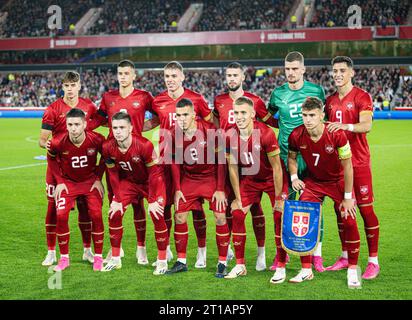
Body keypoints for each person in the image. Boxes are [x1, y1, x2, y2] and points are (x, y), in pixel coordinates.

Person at [274, 96, 361, 289]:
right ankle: (306, 269)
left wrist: (348, 198)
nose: (308, 119)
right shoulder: (296, 135)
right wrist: (295, 177)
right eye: (305, 115)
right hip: (313, 182)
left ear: (322, 115)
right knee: (301, 217)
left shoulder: (336, 134)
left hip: (337, 181)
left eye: (312, 115)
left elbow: (348, 167)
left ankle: (353, 269)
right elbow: (292, 157)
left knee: (349, 218)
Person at [147, 61, 214, 269]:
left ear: (182, 77)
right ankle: (166, 248)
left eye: (174, 76)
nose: (170, 80)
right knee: (165, 205)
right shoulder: (158, 101)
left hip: (192, 162)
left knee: (195, 208)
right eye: (167, 76)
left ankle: (202, 252)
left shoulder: (196, 99)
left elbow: (211, 123)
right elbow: (154, 122)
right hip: (167, 160)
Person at [213, 62, 278, 271]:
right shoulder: (219, 101)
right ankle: (231, 251)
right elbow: (214, 124)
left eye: (235, 75)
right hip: (231, 162)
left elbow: (272, 123)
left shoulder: (256, 102)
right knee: (232, 208)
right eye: (228, 75)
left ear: (242, 77)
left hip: (256, 164)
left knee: (260, 209)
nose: (231, 78)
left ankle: (266, 255)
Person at [267, 51, 326, 272]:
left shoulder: (316, 91)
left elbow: (323, 119)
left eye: (294, 69)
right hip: (285, 158)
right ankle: (281, 254)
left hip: (312, 160)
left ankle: (316, 254)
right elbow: (269, 117)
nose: (290, 73)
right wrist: (284, 131)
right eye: (287, 69)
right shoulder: (277, 94)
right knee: (282, 207)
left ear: (303, 69)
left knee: (314, 208)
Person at [93, 59, 155, 265]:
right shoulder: (108, 97)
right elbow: (99, 119)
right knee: (115, 202)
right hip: (114, 155)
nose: (123, 76)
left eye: (127, 73)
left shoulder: (144, 97)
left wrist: (140, 128)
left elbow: (158, 116)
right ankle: (115, 250)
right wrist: (82, 128)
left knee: (139, 204)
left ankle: (141, 249)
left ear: (134, 75)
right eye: (120, 73)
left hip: (137, 153)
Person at [325, 56, 380, 280]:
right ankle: (345, 255)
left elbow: (367, 125)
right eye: (334, 71)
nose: (337, 74)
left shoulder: (361, 96)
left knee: (366, 211)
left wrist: (345, 125)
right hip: (338, 166)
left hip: (358, 163)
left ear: (351, 73)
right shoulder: (329, 101)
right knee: (341, 211)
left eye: (341, 70)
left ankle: (373, 261)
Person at [39, 71, 99, 267]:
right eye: (67, 86)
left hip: (81, 166)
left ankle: (87, 251)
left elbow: (97, 126)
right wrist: (48, 145)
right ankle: (51, 252)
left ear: (79, 86)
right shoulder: (53, 109)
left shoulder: (88, 106)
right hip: (58, 166)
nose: (70, 89)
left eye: (73, 86)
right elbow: (42, 139)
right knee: (53, 209)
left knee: (85, 208)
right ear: (62, 87)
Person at [165, 98, 230, 278]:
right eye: (178, 115)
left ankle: (222, 262)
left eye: (185, 115)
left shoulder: (210, 130)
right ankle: (181, 261)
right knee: (179, 215)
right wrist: (177, 188)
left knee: (220, 216)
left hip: (210, 178)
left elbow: (220, 162)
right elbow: (175, 164)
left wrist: (219, 188)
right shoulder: (173, 133)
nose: (182, 119)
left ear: (194, 115)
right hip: (190, 179)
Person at [224, 96, 284, 279]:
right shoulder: (229, 135)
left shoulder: (265, 133)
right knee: (237, 211)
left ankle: (281, 264)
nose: (239, 116)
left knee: (278, 214)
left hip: (271, 179)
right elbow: (232, 168)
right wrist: (238, 197)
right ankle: (240, 264)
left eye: (243, 112)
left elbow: (277, 168)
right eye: (236, 113)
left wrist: (280, 197)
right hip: (250, 180)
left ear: (252, 114)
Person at [101, 112, 169, 275]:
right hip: (130, 183)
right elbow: (113, 174)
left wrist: (152, 200)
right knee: (114, 213)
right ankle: (116, 259)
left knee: (157, 214)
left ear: (131, 128)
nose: (118, 131)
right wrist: (117, 198)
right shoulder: (107, 147)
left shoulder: (144, 145)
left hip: (151, 182)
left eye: (122, 127)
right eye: (115, 128)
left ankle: (162, 260)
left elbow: (154, 173)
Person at [47, 108, 106, 272]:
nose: (73, 128)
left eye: (77, 124)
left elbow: (106, 157)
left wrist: (98, 178)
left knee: (96, 214)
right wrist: (59, 181)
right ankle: (64, 258)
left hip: (89, 182)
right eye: (70, 124)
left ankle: (97, 256)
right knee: (60, 215)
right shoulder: (58, 142)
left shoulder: (97, 139)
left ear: (85, 124)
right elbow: (50, 158)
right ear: (66, 125)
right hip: (68, 183)